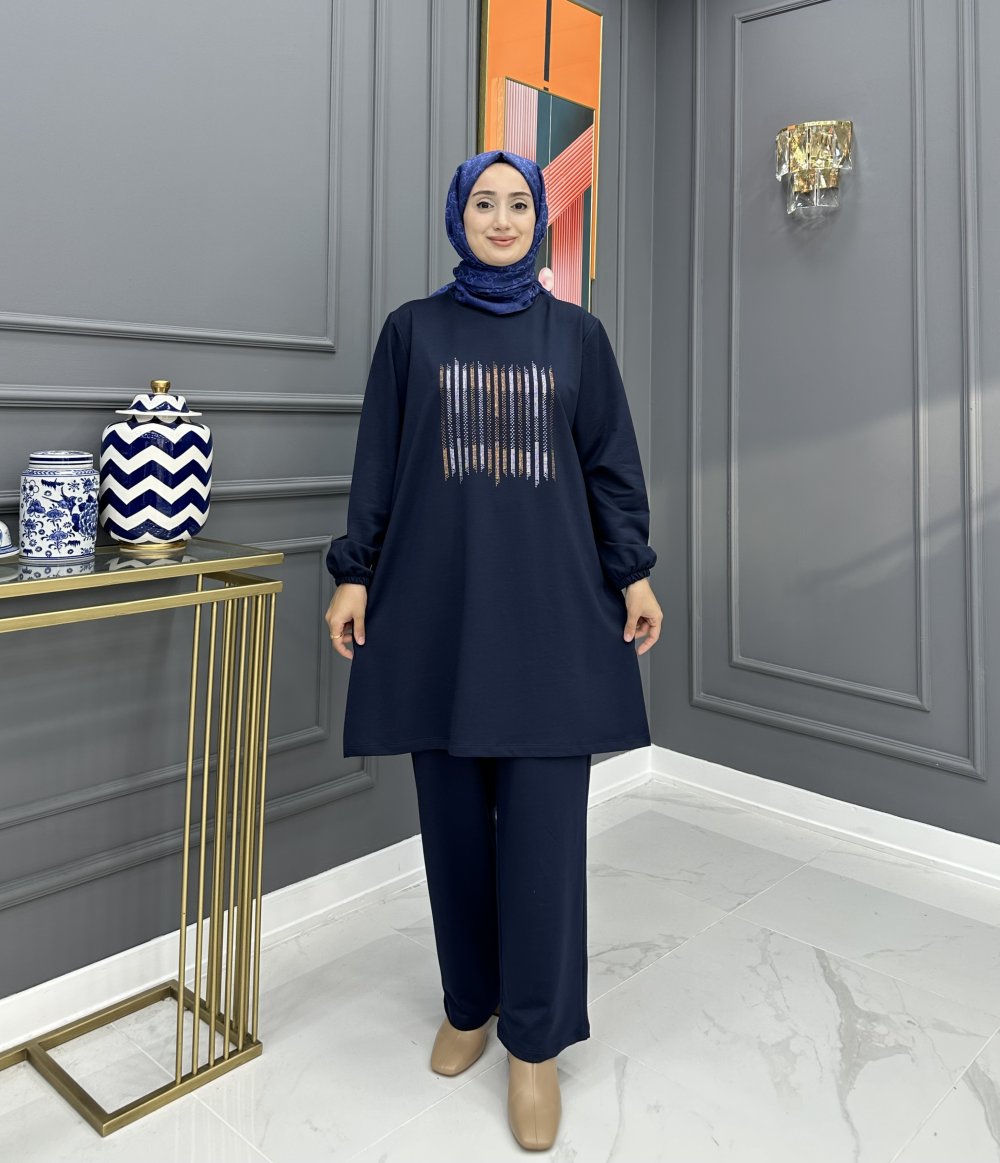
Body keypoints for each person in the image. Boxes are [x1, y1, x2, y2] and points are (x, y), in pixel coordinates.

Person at [324, 149, 662, 1151]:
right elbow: (377, 464)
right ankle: (470, 1003)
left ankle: (535, 1044)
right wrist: (353, 571)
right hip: (435, 617)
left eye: (519, 203)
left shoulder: (578, 337)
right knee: (453, 830)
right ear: (457, 216)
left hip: (553, 619)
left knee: (545, 843)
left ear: (539, 218)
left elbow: (610, 467)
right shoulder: (411, 332)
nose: (503, 218)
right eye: (485, 202)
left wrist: (634, 571)